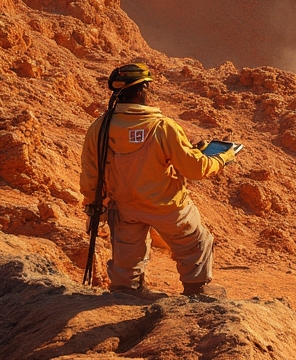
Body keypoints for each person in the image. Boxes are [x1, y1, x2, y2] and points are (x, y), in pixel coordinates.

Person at [80, 62, 238, 298]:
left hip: (123, 206)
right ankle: (198, 289)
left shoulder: (99, 128)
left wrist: (94, 205)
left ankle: (126, 291)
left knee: (127, 252)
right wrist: (223, 158)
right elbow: (195, 168)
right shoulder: (162, 127)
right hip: (166, 206)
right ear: (143, 89)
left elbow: (91, 172)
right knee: (195, 241)